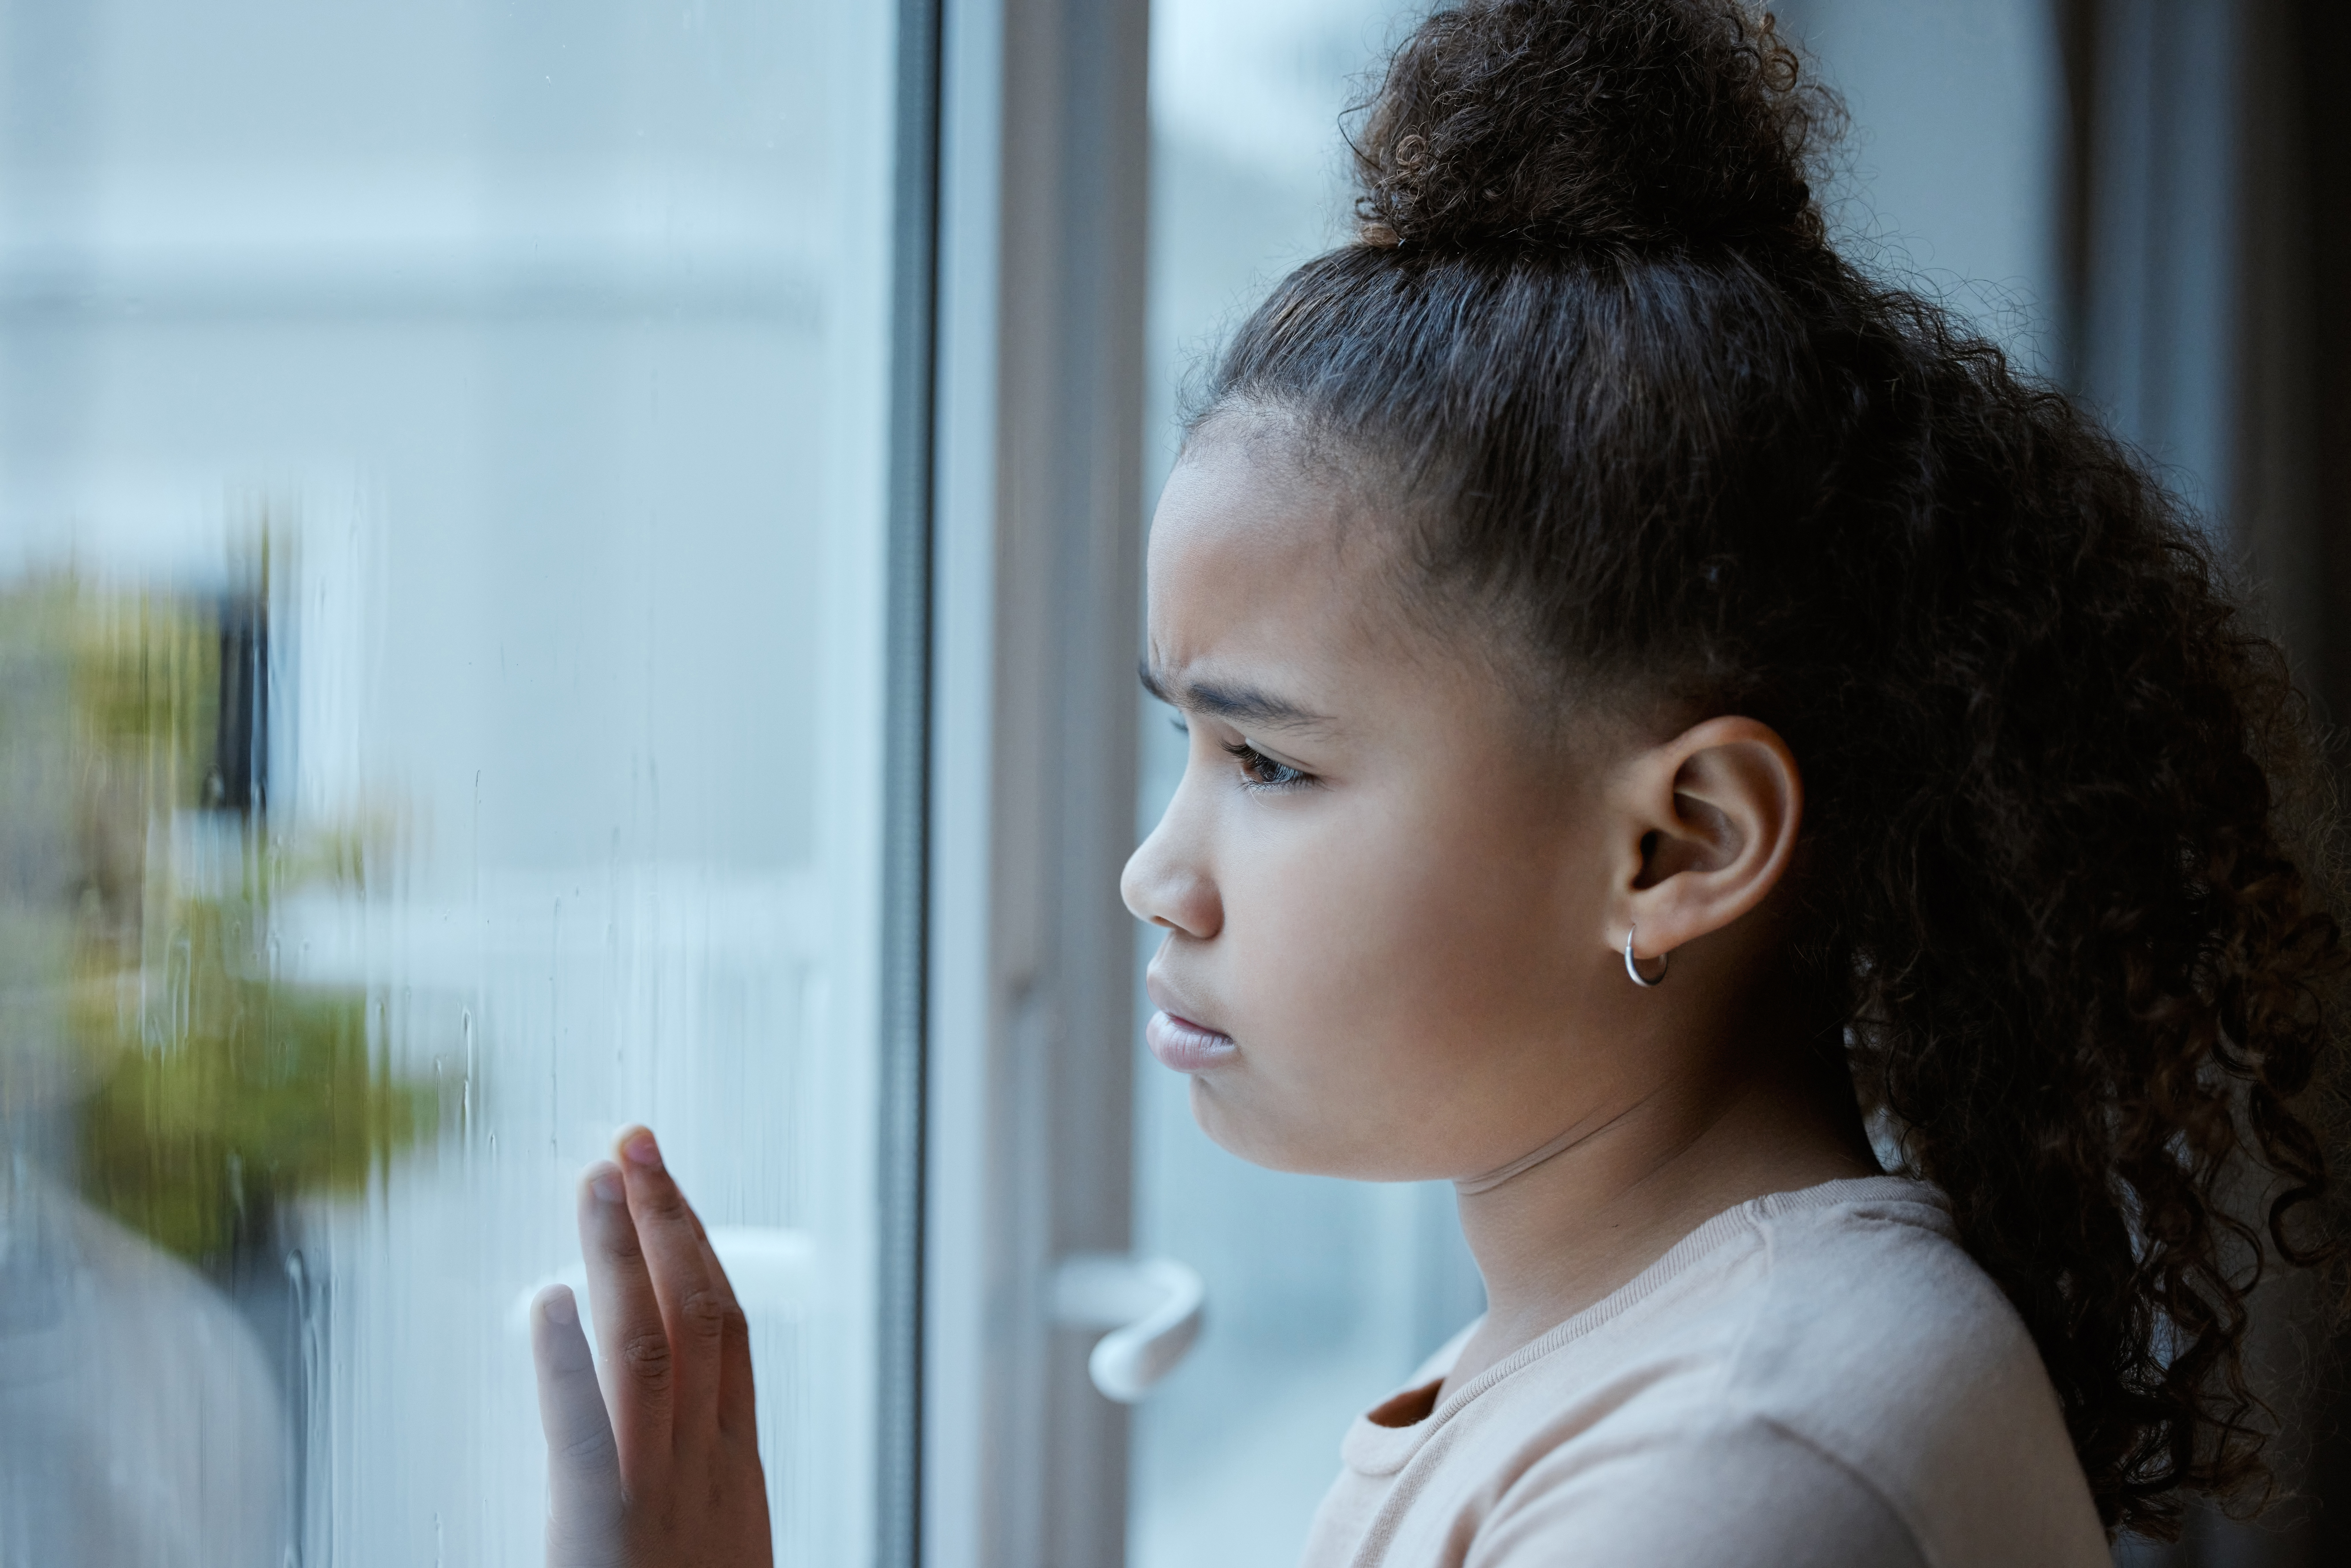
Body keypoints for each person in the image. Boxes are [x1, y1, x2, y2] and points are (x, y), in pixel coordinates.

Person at [527, 1, 2348, 1562]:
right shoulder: (1639, 1351)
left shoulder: (1748, 1462)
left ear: (1678, 843)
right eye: (1187, 743)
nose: (1160, 873)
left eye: (1269, 760)